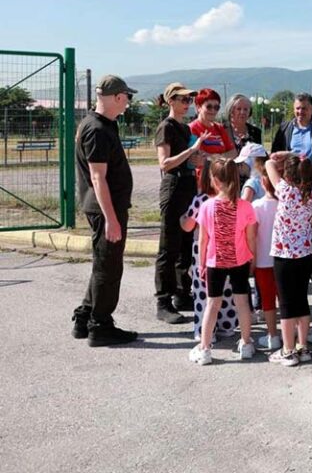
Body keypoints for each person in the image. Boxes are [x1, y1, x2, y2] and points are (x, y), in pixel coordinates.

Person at [71, 75, 138, 347]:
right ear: (117, 97)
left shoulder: (102, 124)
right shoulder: (97, 129)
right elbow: (98, 178)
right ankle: (101, 326)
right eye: (126, 97)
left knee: (103, 264)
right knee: (109, 269)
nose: (127, 103)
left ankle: (85, 317)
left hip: (105, 207)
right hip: (104, 209)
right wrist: (111, 219)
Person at [189, 159, 257, 366]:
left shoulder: (207, 206)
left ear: (215, 181)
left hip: (214, 262)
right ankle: (246, 343)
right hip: (240, 260)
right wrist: (252, 258)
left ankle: (205, 348)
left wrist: (201, 264)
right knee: (242, 303)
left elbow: (203, 239)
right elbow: (251, 237)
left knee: (212, 304)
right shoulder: (246, 207)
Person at [154, 82, 209, 324]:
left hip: (187, 185)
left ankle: (181, 293)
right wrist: (192, 152)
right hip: (173, 186)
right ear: (171, 101)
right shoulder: (166, 127)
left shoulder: (185, 129)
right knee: (169, 246)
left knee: (186, 244)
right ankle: (163, 301)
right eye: (183, 100)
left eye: (189, 100)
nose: (187, 104)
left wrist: (199, 160)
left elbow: (190, 162)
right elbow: (164, 163)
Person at [265, 152, 312, 367]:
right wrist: (296, 157)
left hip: (284, 254)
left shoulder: (285, 190)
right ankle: (302, 346)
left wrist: (284, 154)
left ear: (287, 174)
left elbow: (268, 163)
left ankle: (288, 350)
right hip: (305, 252)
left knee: (286, 304)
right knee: (301, 301)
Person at [180, 161, 240, 341]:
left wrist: (182, 217)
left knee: (203, 293)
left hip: (205, 252)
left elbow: (188, 226)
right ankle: (227, 325)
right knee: (226, 290)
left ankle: (204, 331)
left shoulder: (201, 200)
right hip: (228, 251)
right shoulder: (234, 200)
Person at [251, 173, 281, 351]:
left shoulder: (257, 206)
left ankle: (272, 335)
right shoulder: (284, 204)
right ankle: (288, 332)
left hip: (262, 260)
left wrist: (252, 260)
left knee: (267, 302)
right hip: (282, 259)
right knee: (284, 299)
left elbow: (252, 237)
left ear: (262, 182)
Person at [270, 93, 312, 164]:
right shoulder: (284, 129)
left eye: (304, 108)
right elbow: (275, 152)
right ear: (293, 109)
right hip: (290, 173)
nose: (300, 112)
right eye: (297, 108)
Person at [188, 88, 236, 162]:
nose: (213, 110)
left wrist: (216, 157)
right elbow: (199, 157)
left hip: (221, 172)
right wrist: (223, 157)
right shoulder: (191, 129)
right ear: (198, 107)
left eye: (216, 107)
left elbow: (233, 152)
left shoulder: (219, 128)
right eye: (209, 107)